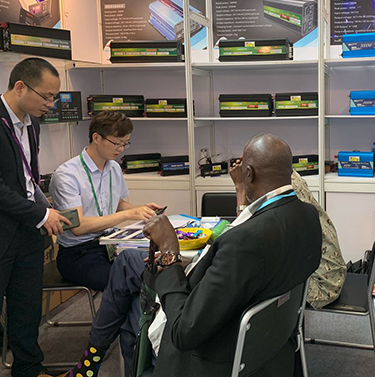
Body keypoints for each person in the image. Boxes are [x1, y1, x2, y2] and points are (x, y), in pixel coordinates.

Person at [59, 133, 322, 377]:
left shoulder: (244, 244)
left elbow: (184, 331)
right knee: (130, 270)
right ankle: (92, 359)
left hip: (210, 355)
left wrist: (170, 252)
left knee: (132, 305)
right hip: (268, 346)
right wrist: (191, 261)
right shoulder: (306, 216)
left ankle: (92, 359)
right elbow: (242, 255)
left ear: (249, 173)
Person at [0, 58, 71, 377]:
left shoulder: (32, 125)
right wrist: (40, 214)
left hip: (28, 231)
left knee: (26, 307)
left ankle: (29, 369)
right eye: (46, 96)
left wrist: (47, 211)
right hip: (4, 231)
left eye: (54, 97)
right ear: (20, 87)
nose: (51, 104)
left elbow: (27, 180)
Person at [49, 111, 161, 291]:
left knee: (155, 272)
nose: (121, 149)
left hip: (110, 243)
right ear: (96, 138)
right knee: (127, 285)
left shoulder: (113, 167)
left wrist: (141, 209)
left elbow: (118, 205)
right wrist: (128, 214)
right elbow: (78, 227)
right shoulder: (67, 175)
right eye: (117, 143)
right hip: (79, 253)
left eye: (125, 144)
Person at [230, 161, 346, 309]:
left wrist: (240, 188)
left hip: (321, 283)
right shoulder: (284, 177)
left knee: (244, 279)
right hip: (328, 272)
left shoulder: (278, 192)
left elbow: (242, 241)